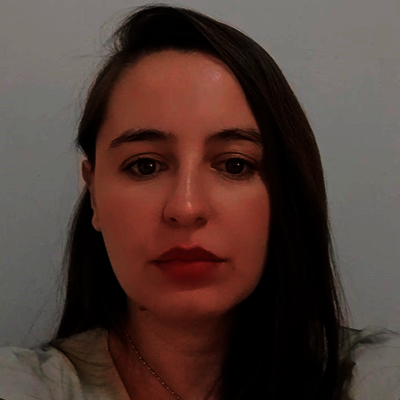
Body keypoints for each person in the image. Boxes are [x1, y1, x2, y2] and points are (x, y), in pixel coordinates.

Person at [0, 4, 399, 400]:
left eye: (235, 165)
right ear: (94, 195)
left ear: (285, 192)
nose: (186, 207)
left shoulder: (372, 378)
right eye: (145, 166)